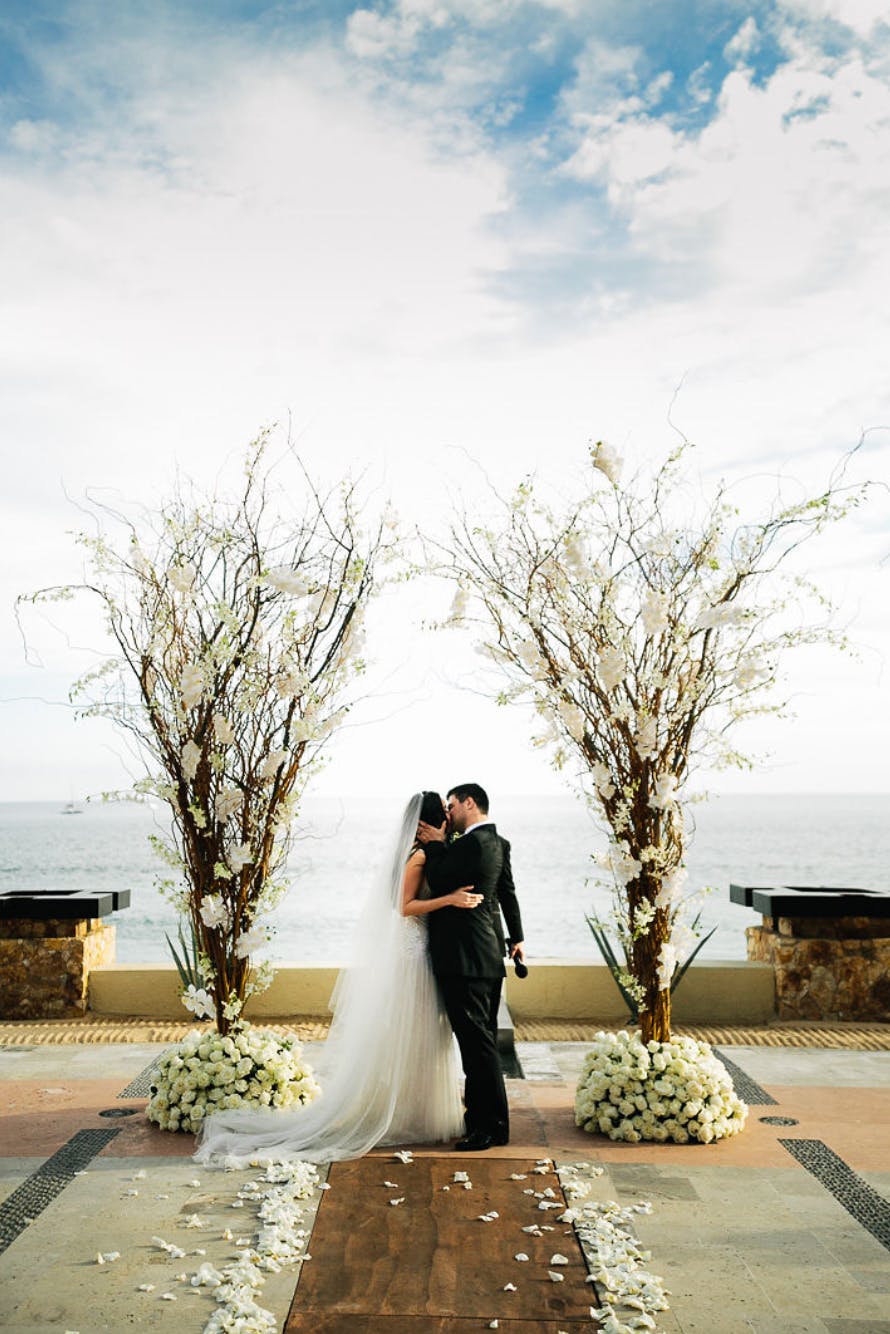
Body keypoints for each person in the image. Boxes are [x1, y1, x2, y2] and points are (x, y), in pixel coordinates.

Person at [195, 791, 477, 1165]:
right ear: (428, 820)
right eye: (443, 810)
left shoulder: (418, 852)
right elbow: (404, 907)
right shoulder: (419, 856)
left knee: (418, 1037)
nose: (448, 814)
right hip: (412, 955)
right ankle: (404, 1114)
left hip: (416, 950)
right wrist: (449, 899)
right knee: (414, 1035)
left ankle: (414, 1110)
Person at [418, 782, 525, 1152]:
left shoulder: (471, 844)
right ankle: (481, 1119)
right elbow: (506, 892)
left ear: (469, 803)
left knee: (477, 1047)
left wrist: (435, 843)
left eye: (452, 806)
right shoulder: (498, 843)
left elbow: (439, 879)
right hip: (488, 956)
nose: (448, 814)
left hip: (465, 959)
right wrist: (516, 937)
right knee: (482, 1043)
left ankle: (490, 1127)